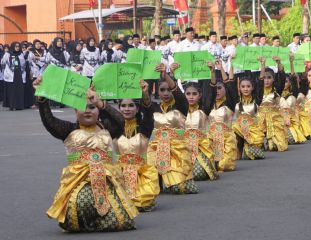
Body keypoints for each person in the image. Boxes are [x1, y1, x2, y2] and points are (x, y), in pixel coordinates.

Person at [33, 78, 138, 232]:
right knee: (82, 201)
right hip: (79, 180)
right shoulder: (68, 130)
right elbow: (49, 121)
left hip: (107, 181)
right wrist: (42, 99)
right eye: (82, 107)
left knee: (123, 222)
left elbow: (121, 121)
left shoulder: (107, 128)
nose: (88, 110)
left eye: (92, 107)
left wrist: (101, 103)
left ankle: (96, 223)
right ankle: (85, 222)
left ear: (98, 111)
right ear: (75, 111)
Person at [93, 81, 160, 212]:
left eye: (131, 105)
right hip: (119, 174)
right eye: (123, 106)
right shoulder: (114, 127)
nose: (127, 109)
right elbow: (104, 114)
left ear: (137, 108)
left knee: (142, 203)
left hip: (141, 174)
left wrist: (145, 94)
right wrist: (96, 100)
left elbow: (148, 112)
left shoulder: (144, 127)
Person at [147, 63, 199, 194]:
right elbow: (144, 102)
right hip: (156, 148)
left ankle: (175, 178)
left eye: (168, 90)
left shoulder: (181, 106)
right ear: (157, 91)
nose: (165, 93)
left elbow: (178, 94)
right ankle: (157, 181)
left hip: (177, 149)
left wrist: (167, 75)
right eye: (162, 90)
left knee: (180, 188)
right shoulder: (154, 107)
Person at [182, 62, 219, 181]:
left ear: (200, 95)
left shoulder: (205, 109)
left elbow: (212, 92)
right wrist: (172, 73)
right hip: (184, 148)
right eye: (188, 94)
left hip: (201, 147)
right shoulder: (180, 109)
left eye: (194, 94)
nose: (191, 97)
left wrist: (212, 72)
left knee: (199, 174)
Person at [209, 61, 238, 171]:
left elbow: (230, 85)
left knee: (224, 166)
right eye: (215, 88)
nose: (217, 91)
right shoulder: (208, 104)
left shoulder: (230, 103)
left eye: (220, 88)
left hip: (227, 140)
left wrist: (221, 68)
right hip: (211, 140)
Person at [231, 63, 265, 160]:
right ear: (239, 88)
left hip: (254, 130)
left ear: (252, 87)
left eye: (248, 86)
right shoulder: (237, 101)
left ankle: (253, 146)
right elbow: (230, 83)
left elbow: (261, 82)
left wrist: (262, 65)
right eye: (243, 86)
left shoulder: (257, 100)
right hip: (239, 129)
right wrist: (232, 64)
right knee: (235, 128)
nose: (246, 89)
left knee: (254, 155)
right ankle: (239, 148)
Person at [257, 56, 288, 152]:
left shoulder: (277, 90)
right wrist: (262, 64)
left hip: (274, 120)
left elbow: (282, 77)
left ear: (274, 79)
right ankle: (259, 141)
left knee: (276, 147)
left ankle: (271, 140)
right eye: (264, 78)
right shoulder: (257, 91)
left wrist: (279, 63)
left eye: (269, 78)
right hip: (259, 119)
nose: (266, 80)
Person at [280, 56, 307, 145]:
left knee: (291, 139)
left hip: (291, 121)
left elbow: (292, 77)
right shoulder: (277, 93)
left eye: (286, 82)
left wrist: (291, 62)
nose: (284, 84)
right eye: (283, 82)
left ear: (290, 83)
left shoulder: (293, 93)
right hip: (279, 122)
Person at [1, 42, 26, 110]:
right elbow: (2, 62)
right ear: (12, 47)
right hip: (10, 75)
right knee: (11, 91)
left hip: (19, 74)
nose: (17, 48)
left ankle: (19, 105)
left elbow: (23, 64)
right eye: (16, 46)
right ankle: (12, 105)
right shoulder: (7, 54)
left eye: (18, 46)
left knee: (18, 90)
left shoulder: (21, 54)